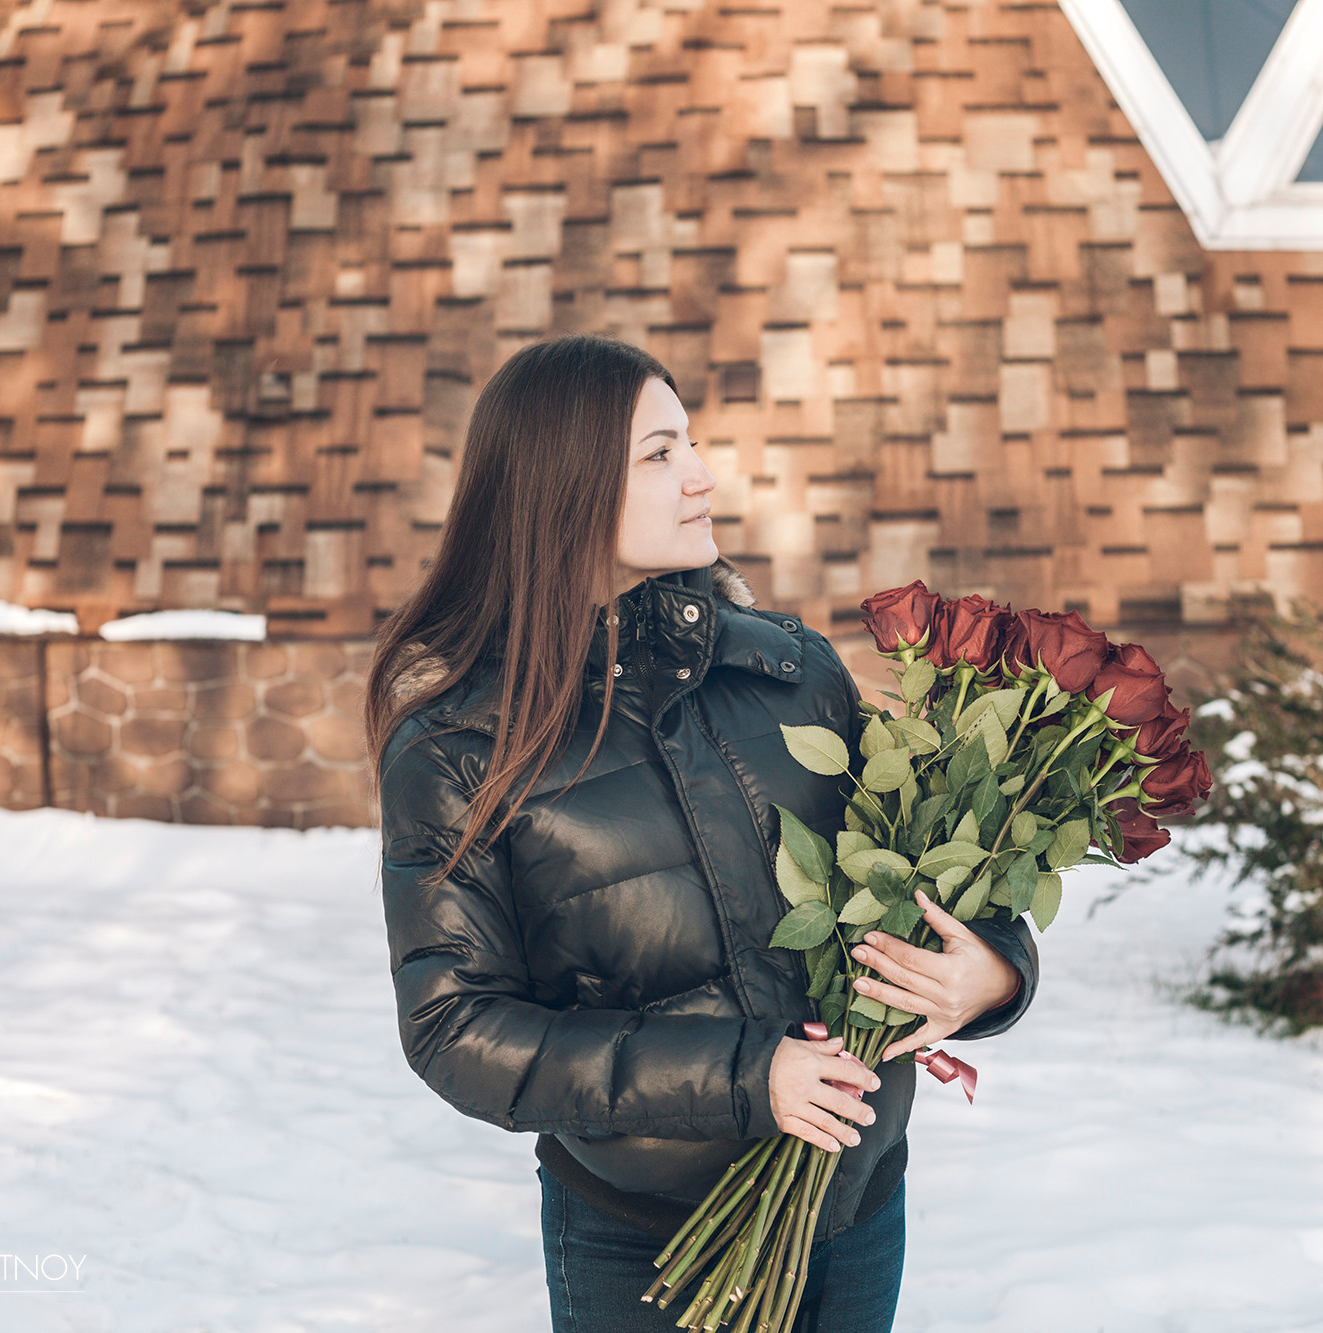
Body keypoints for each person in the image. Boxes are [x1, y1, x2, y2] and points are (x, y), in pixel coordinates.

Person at [364, 333, 1040, 1332]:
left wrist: (992, 970)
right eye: (659, 453)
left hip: (857, 1206)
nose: (702, 475)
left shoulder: (788, 671)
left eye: (689, 442)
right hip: (644, 1245)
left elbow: (912, 867)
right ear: (562, 484)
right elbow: (456, 1027)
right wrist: (745, 1077)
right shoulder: (463, 744)